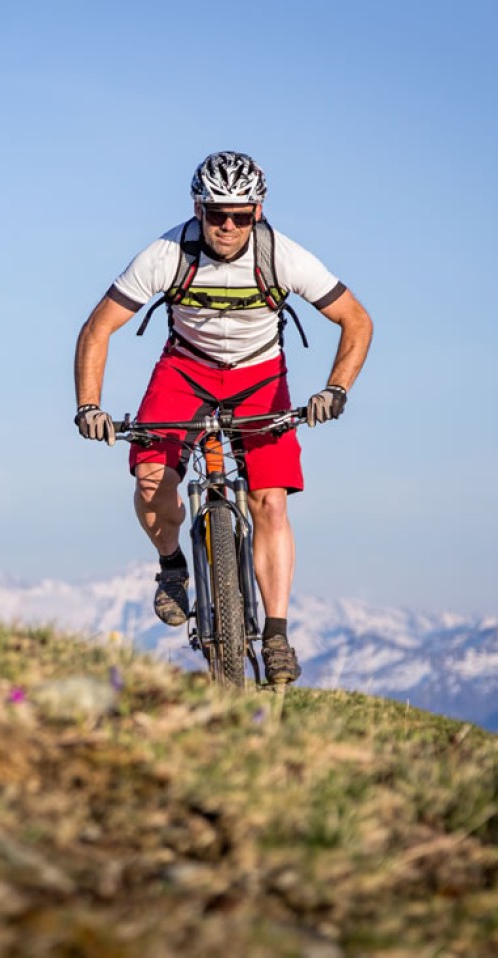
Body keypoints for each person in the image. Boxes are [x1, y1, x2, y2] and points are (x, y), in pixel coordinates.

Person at [73, 151, 373, 685]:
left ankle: (276, 635)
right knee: (151, 481)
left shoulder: (283, 256)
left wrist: (336, 390)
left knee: (270, 500)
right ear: (198, 208)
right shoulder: (167, 253)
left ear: (258, 210)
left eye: (241, 214)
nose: (229, 226)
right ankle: (172, 568)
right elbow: (97, 329)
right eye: (217, 215)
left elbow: (356, 319)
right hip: (184, 371)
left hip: (260, 378)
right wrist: (88, 405)